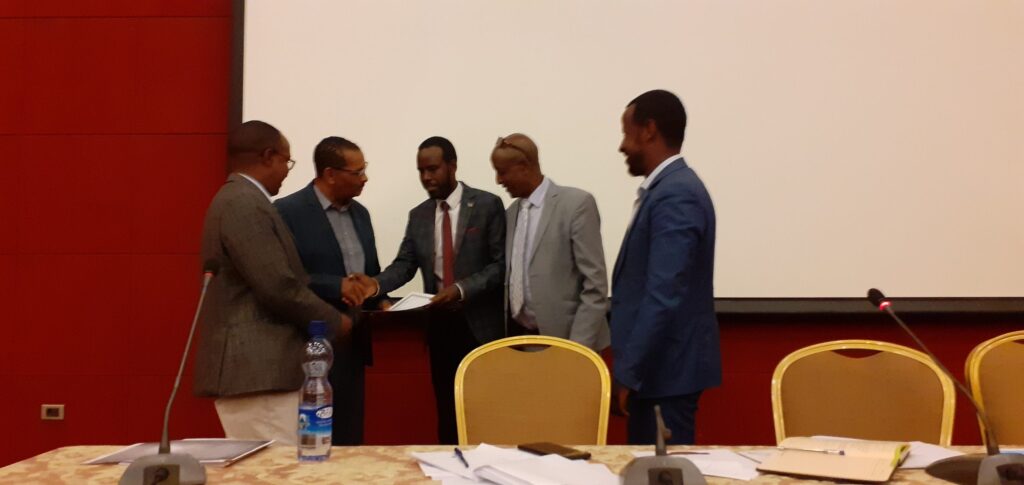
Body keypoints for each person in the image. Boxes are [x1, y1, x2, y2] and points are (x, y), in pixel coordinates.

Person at [193, 120, 352, 445]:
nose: (287, 171)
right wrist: (336, 322)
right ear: (268, 156)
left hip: (263, 374)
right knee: (276, 475)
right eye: (286, 161)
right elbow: (279, 287)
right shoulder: (243, 203)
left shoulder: (245, 199)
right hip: (257, 374)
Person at [356, 136, 506, 444]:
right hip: (440, 326)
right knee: (448, 415)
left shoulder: (488, 205)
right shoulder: (419, 215)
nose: (427, 177)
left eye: (433, 169)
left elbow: (501, 266)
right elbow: (405, 265)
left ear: (452, 166)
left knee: (485, 414)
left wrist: (461, 289)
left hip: (481, 327)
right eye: (421, 171)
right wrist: (376, 284)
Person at [610, 90, 722, 444]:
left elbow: (663, 294)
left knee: (662, 476)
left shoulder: (676, 194)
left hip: (664, 376)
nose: (621, 146)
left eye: (626, 132)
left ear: (648, 130)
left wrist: (628, 374)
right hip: (659, 374)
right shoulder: (669, 189)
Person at [274, 136, 383, 445]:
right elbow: (284, 277)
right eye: (357, 172)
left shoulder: (361, 214)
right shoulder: (287, 211)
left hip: (353, 342)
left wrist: (378, 294)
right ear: (330, 173)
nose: (365, 178)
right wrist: (336, 286)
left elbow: (370, 270)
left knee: (350, 442)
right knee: (311, 444)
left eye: (365, 170)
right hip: (308, 345)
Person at [490, 133, 610, 351]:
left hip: (569, 344)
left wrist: (577, 348)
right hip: (521, 342)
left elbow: (595, 285)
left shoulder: (576, 205)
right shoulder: (510, 214)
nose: (498, 180)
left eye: (502, 172)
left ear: (524, 166)